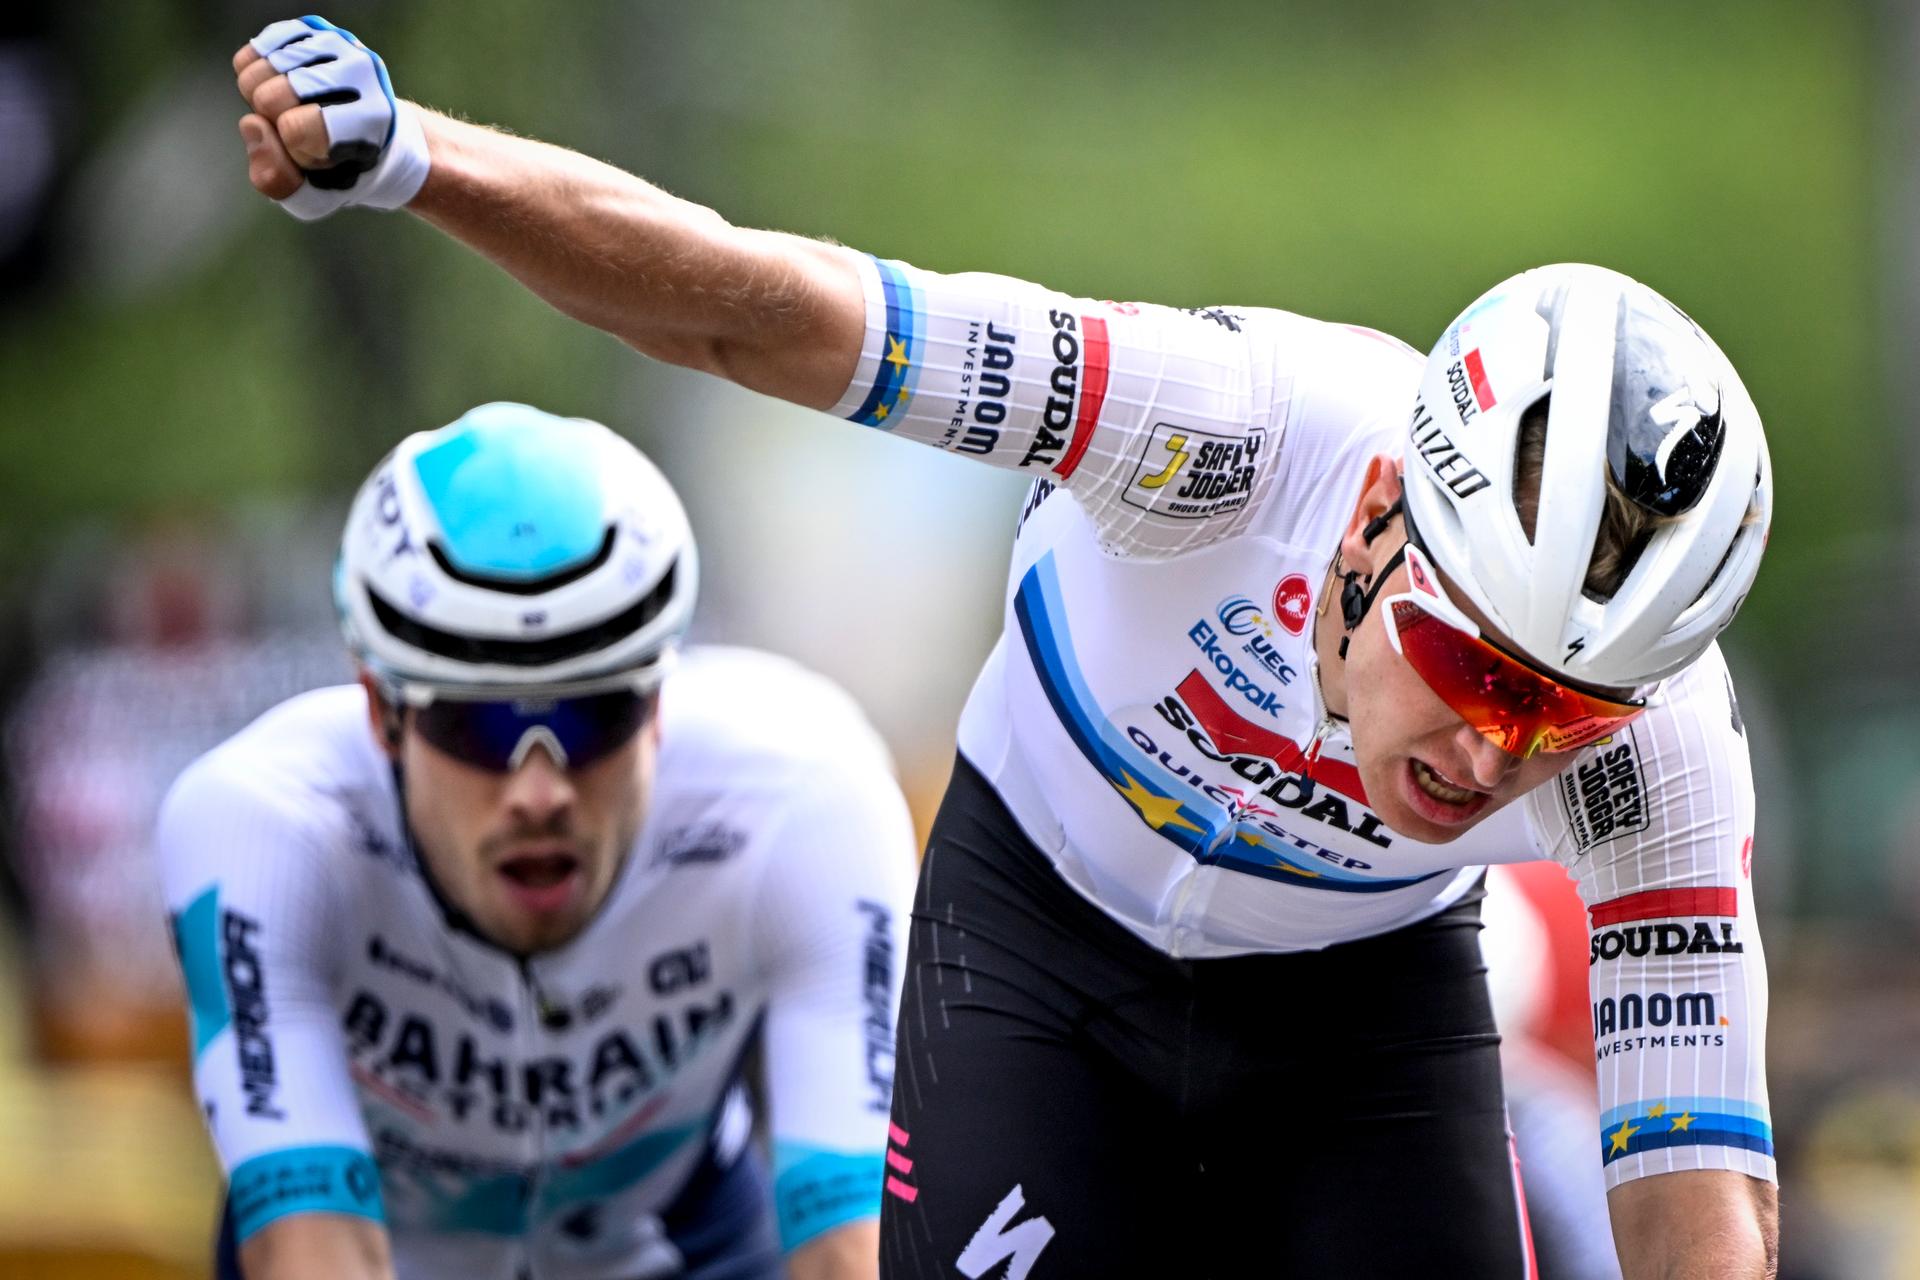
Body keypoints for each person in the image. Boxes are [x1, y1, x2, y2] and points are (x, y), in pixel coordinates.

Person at [227, 19, 1779, 1277]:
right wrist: (421, 158)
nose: (1490, 754)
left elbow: (1696, 1188)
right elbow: (755, 309)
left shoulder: (1664, 749)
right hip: (1039, 945)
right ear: (1379, 519)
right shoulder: (1226, 432)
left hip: (1363, 1012)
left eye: (1560, 721)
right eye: (1476, 670)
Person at [156, 403, 917, 1280]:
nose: (539, 792)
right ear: (383, 713)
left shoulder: (800, 800)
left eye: (594, 716)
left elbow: (850, 1252)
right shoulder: (268, 823)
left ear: (660, 703)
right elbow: (312, 1253)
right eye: (480, 728)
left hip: (684, 1249)